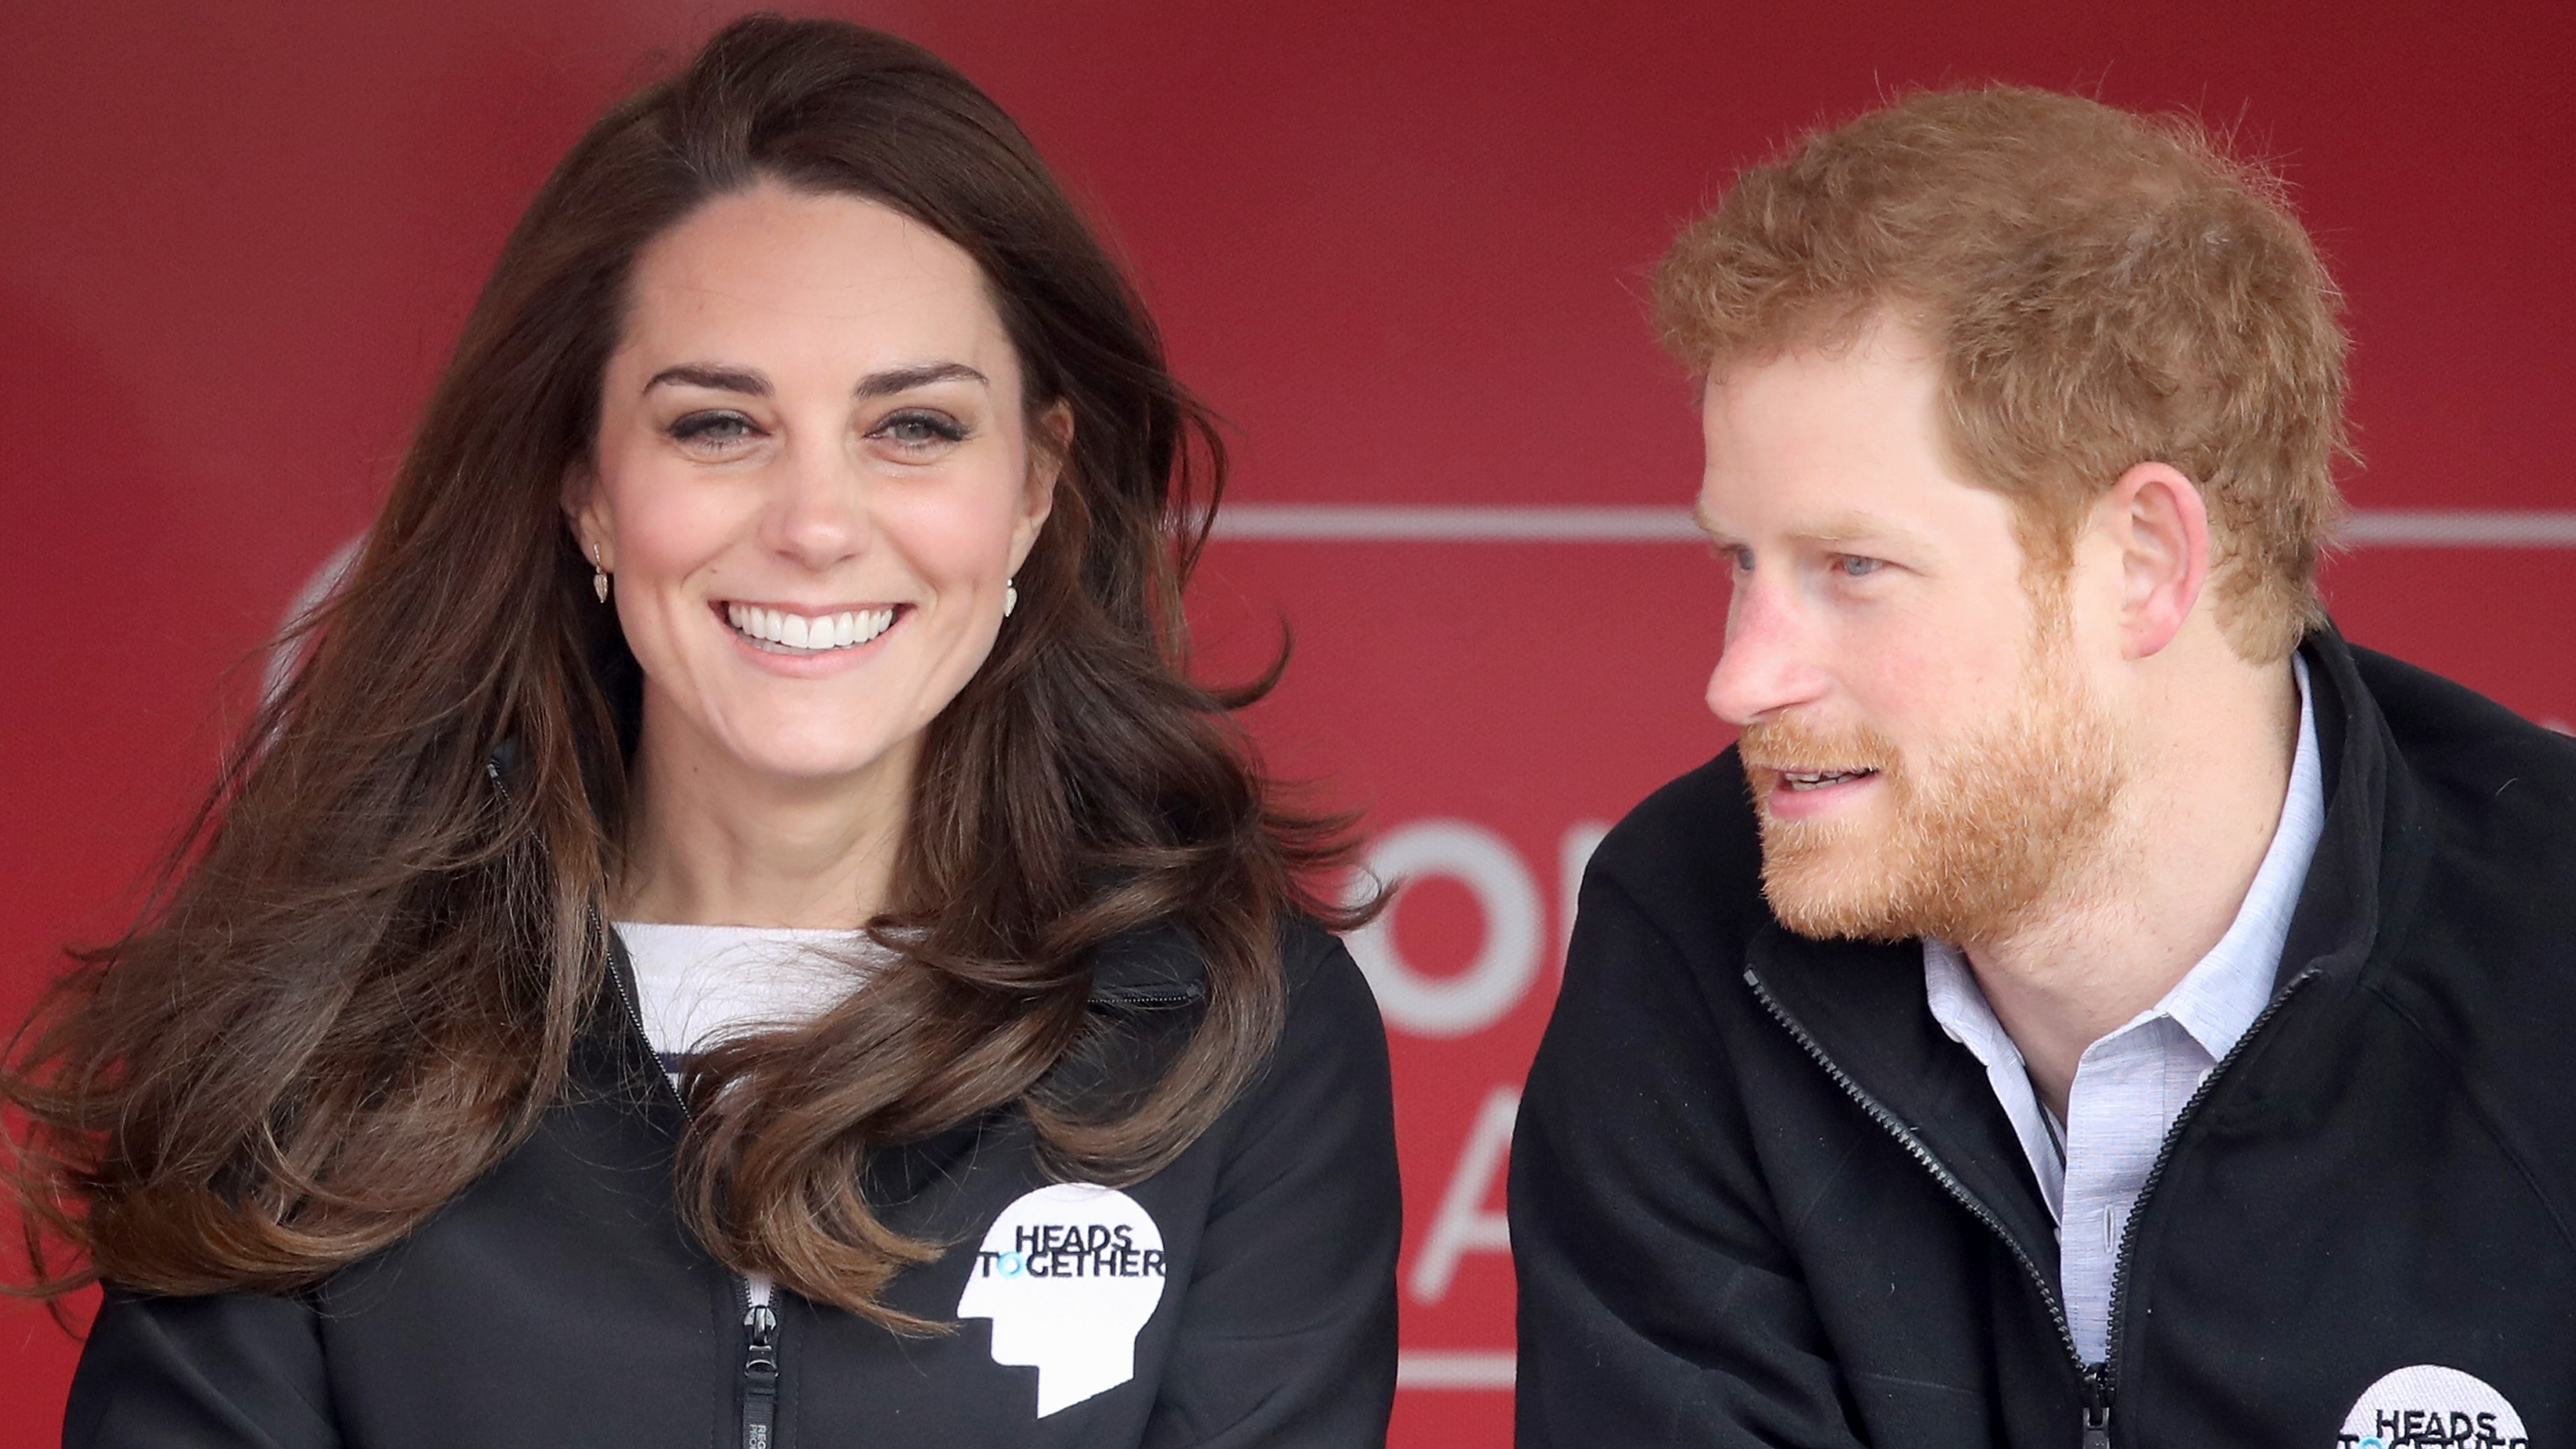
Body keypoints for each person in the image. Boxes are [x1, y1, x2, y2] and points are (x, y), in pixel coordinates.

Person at [6, 16, 1400, 1447]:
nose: (812, 525)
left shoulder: (1230, 1037)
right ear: (588, 484)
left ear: (1035, 485)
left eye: (913, 426)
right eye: (717, 426)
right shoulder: (320, 1028)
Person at [1511, 85, 2576, 1445]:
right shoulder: (1685, 925)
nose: (1739, 678)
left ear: (2142, 563)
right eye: (1741, 561)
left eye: (1853, 568)